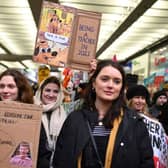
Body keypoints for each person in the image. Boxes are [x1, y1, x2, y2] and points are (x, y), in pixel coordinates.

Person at [53, 59, 154, 168]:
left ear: (121, 88)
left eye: (117, 81)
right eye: (104, 79)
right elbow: (61, 159)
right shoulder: (75, 119)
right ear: (94, 83)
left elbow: (146, 162)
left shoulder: (134, 122)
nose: (110, 85)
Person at [126, 84, 168, 168]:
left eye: (143, 98)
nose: (140, 101)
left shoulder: (153, 120)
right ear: (130, 100)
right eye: (137, 97)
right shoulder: (122, 117)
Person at [34, 76, 67, 168]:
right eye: (47, 90)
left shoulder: (67, 110)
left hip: (57, 163)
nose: (51, 95)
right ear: (41, 91)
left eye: (55, 91)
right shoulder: (30, 108)